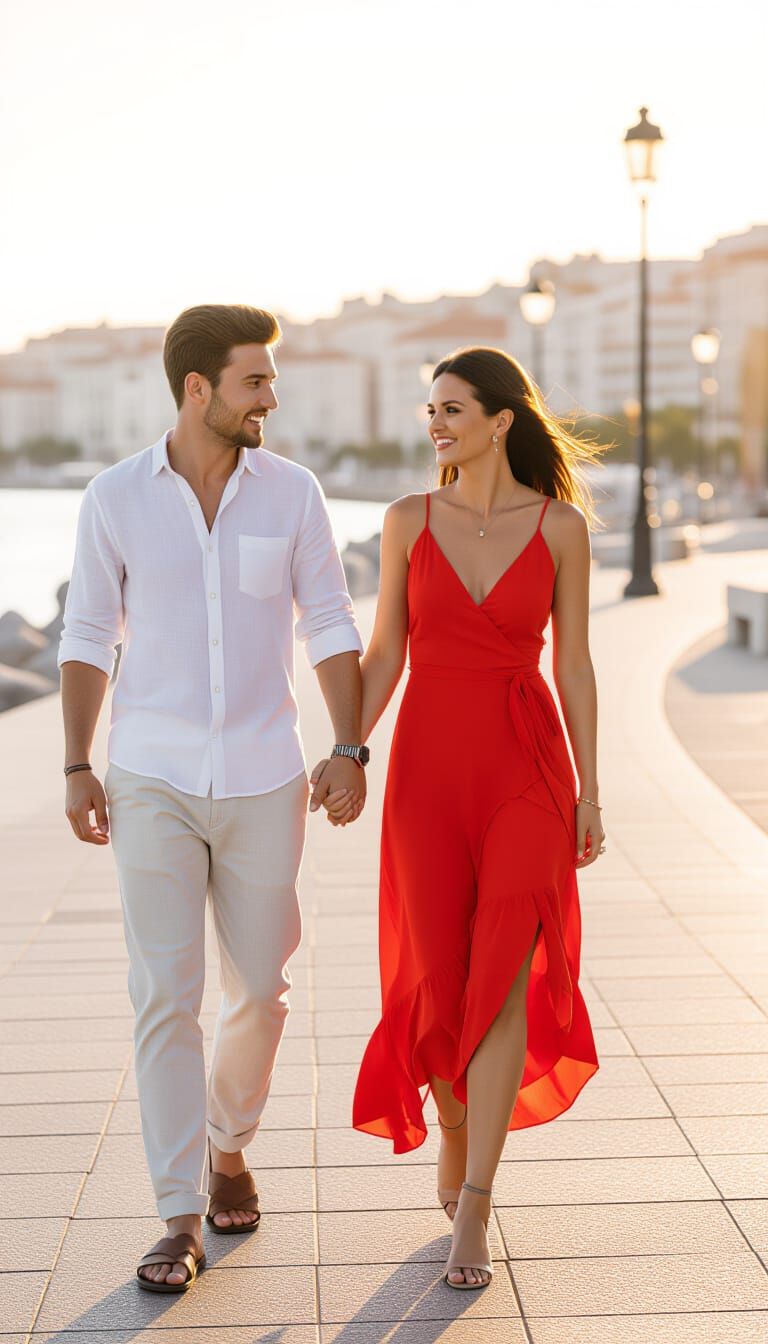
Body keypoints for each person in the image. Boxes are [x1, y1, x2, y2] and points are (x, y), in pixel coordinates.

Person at [59, 304, 366, 1293]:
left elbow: (326, 616)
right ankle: (179, 1211)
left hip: (266, 775)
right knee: (164, 997)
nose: (271, 397)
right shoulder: (114, 496)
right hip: (149, 775)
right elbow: (86, 632)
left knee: (265, 991)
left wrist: (351, 745)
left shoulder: (294, 492)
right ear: (199, 389)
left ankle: (230, 1143)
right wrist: (77, 763)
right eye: (256, 382)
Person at [316, 346, 603, 1290]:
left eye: (451, 408)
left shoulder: (561, 528)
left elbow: (575, 666)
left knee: (504, 980)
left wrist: (588, 791)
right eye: (429, 409)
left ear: (500, 420)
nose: (434, 423)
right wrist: (349, 747)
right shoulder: (407, 522)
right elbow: (388, 649)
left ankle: (475, 1203)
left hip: (525, 769)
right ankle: (451, 1123)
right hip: (430, 773)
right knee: (438, 976)